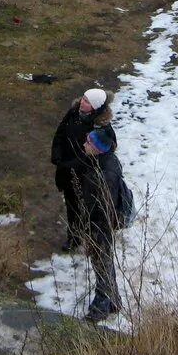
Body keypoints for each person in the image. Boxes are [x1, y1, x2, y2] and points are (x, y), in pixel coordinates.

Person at [51, 88, 116, 250]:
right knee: (71, 205)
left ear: (94, 107)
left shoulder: (101, 127)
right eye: (83, 98)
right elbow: (61, 132)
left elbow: (98, 154)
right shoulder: (74, 111)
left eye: (87, 101)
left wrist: (70, 164)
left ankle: (89, 238)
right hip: (66, 169)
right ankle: (74, 238)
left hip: (85, 175)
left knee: (86, 207)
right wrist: (56, 154)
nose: (82, 102)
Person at [71, 127, 123, 321]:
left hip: (99, 228)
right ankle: (114, 301)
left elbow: (100, 207)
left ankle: (100, 308)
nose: (85, 144)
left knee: (101, 266)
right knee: (105, 264)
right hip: (100, 226)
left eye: (89, 142)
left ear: (98, 148)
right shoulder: (104, 162)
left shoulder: (103, 173)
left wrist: (89, 231)